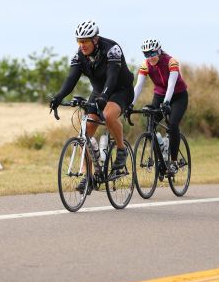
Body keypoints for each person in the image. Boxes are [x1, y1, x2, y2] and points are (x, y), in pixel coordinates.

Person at [49, 20, 134, 192]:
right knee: (84, 133)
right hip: (98, 92)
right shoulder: (79, 55)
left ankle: (121, 149)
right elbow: (71, 79)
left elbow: (112, 76)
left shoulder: (111, 49)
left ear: (95, 40)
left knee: (108, 115)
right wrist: (59, 96)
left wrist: (105, 95)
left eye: (85, 41)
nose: (82, 45)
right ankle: (88, 177)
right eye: (79, 41)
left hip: (120, 89)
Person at [129, 38, 188, 175]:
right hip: (160, 95)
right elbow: (138, 87)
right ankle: (161, 150)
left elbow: (172, 84)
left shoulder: (172, 61)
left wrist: (167, 103)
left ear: (159, 51)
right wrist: (130, 104)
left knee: (173, 124)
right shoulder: (145, 65)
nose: (149, 58)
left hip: (178, 96)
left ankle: (174, 163)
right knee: (150, 124)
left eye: (152, 54)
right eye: (146, 55)